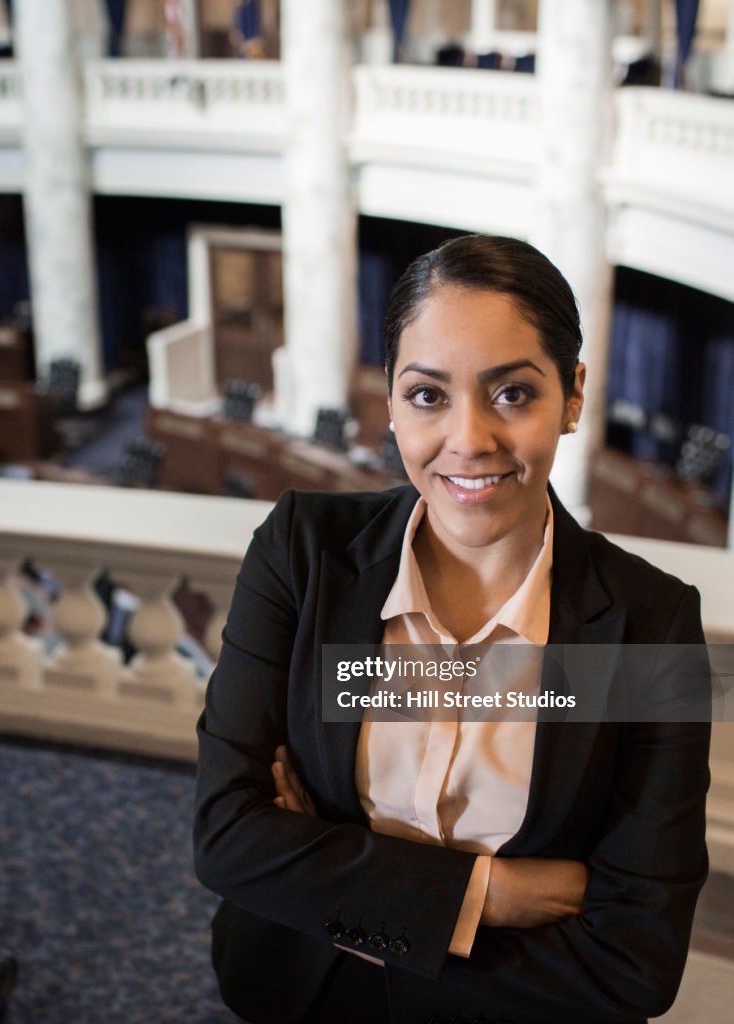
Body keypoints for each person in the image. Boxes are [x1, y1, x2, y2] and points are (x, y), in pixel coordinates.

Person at [193, 235, 711, 1024]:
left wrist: (337, 891)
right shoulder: (303, 551)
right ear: (392, 404)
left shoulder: (648, 625)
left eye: (511, 393)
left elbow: (632, 964)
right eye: (428, 395)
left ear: (571, 396)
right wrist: (485, 897)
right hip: (292, 991)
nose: (468, 439)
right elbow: (228, 838)